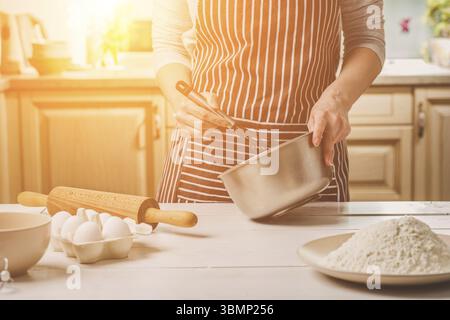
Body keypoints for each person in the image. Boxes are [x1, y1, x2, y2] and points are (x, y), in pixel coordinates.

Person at [153, 0, 385, 203]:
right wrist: (182, 99)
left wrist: (337, 99)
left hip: (307, 160)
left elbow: (367, 38)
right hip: (207, 155)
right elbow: (168, 43)